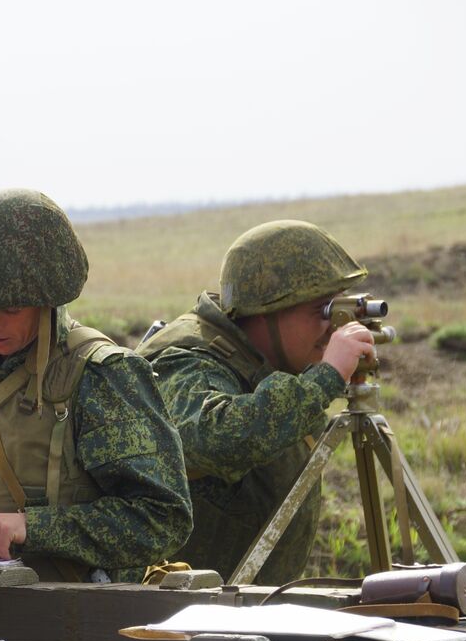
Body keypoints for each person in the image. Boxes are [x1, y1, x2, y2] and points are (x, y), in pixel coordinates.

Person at [0, 188, 192, 582]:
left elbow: (162, 518)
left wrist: (32, 527)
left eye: (11, 310)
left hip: (68, 615)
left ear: (46, 303)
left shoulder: (102, 377)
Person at [137, 220, 376, 585]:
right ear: (265, 310)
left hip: (242, 602)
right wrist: (324, 379)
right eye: (322, 312)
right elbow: (215, 439)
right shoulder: (187, 359)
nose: (334, 328)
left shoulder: (271, 361)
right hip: (175, 612)